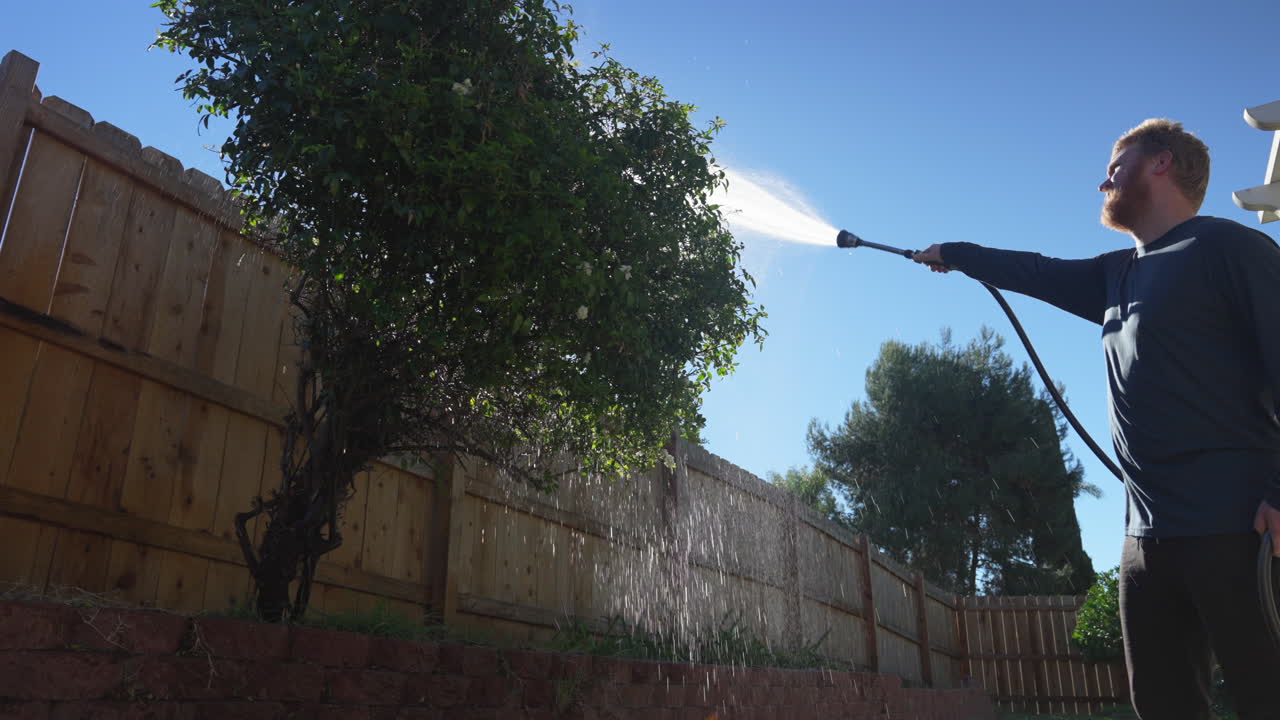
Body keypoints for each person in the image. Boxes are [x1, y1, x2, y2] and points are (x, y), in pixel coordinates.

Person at [912, 118, 1280, 720]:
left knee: (1265, 692)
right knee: (1160, 700)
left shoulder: (1230, 249)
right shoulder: (1117, 273)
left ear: (1161, 163)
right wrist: (955, 254)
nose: (1103, 179)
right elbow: (1035, 271)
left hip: (1239, 522)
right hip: (1147, 537)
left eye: (1117, 164)